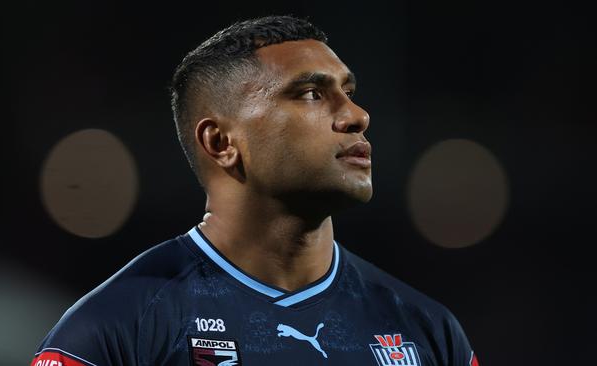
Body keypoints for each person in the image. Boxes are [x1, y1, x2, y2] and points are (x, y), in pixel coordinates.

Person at [31, 15, 479, 366]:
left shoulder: (426, 331)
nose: (356, 115)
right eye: (310, 94)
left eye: (349, 91)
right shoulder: (117, 328)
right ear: (221, 143)